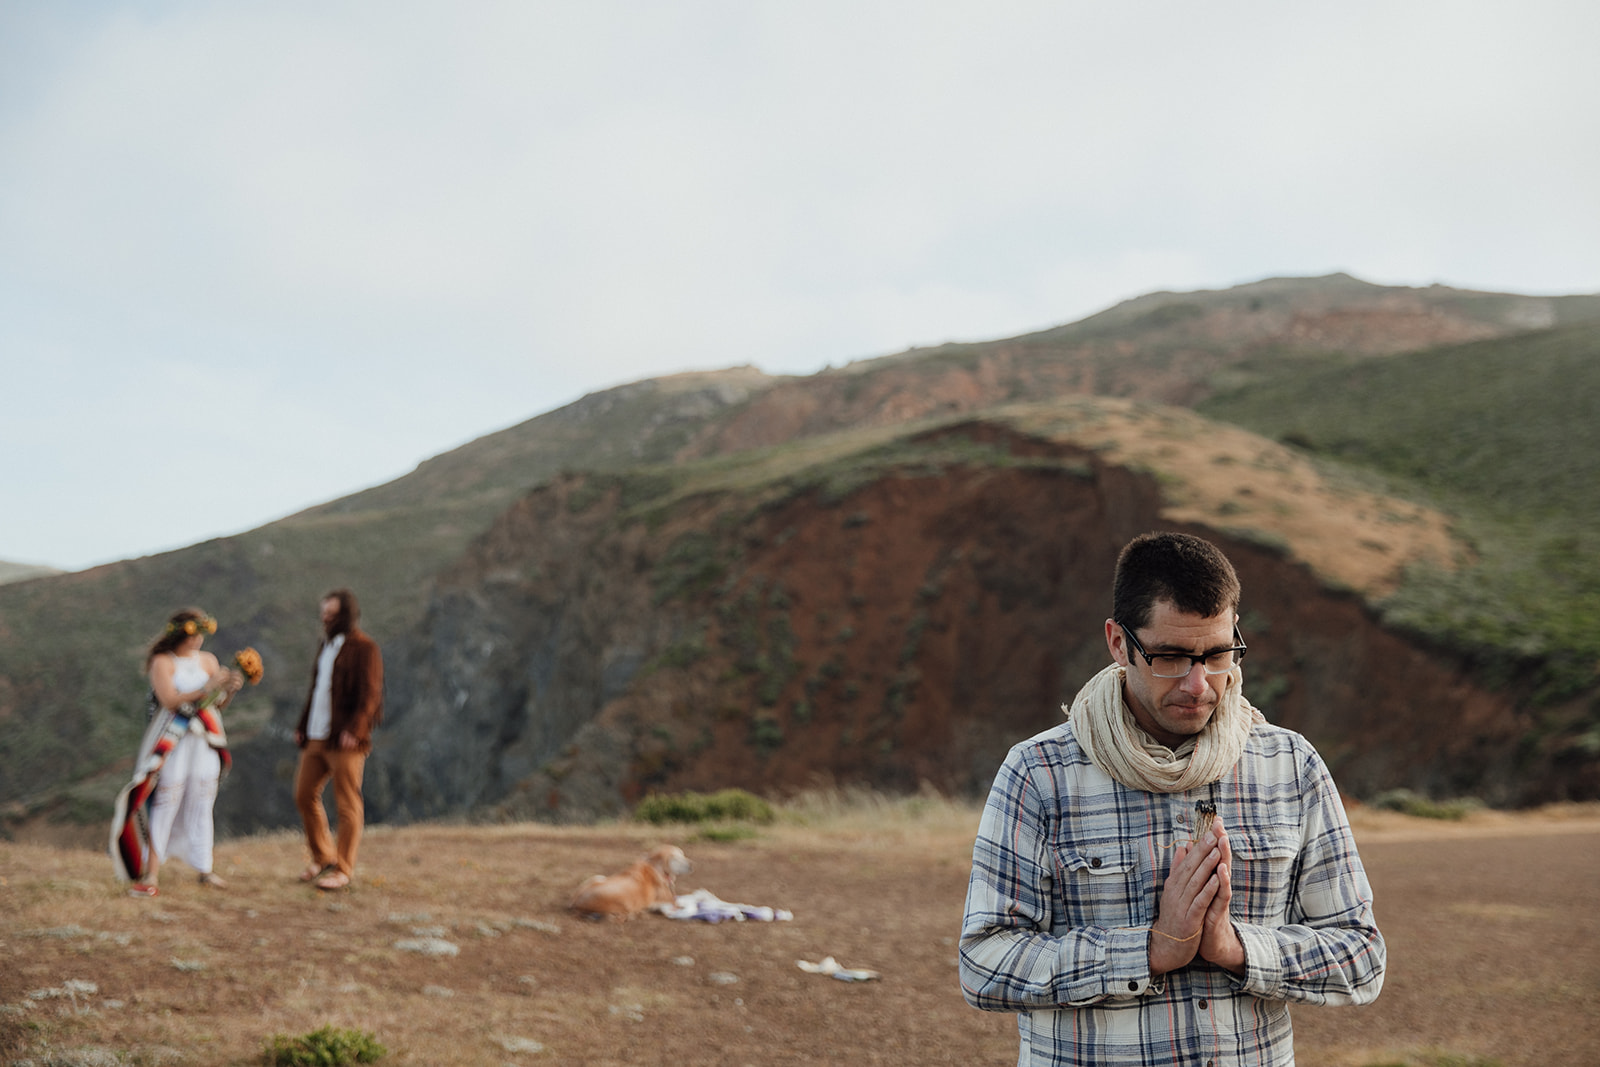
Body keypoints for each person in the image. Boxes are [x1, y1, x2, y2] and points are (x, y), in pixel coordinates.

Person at [960, 531, 1384, 1066]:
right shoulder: (1039, 774)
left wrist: (1236, 949)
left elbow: (1362, 957)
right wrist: (1149, 951)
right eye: (1170, 656)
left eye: (1217, 653)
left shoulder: (1289, 766)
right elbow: (984, 965)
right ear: (1118, 643)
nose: (1199, 683)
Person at [111, 608, 243, 896]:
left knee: (202, 798)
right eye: (194, 634)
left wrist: (229, 689)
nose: (198, 641)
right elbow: (169, 700)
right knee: (167, 799)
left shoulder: (208, 661)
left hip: (204, 742)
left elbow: (216, 705)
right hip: (175, 741)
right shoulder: (162, 662)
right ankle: (152, 871)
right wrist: (207, 687)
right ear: (181, 634)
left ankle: (204, 867)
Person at [293, 587, 383, 891]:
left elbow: (370, 695)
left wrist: (355, 730)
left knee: (347, 803)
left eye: (331, 613)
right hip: (317, 735)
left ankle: (343, 868)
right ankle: (323, 857)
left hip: (345, 739)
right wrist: (302, 725)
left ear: (346, 614)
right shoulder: (326, 646)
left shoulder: (364, 648)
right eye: (323, 613)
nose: (326, 618)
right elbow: (316, 691)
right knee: (304, 794)